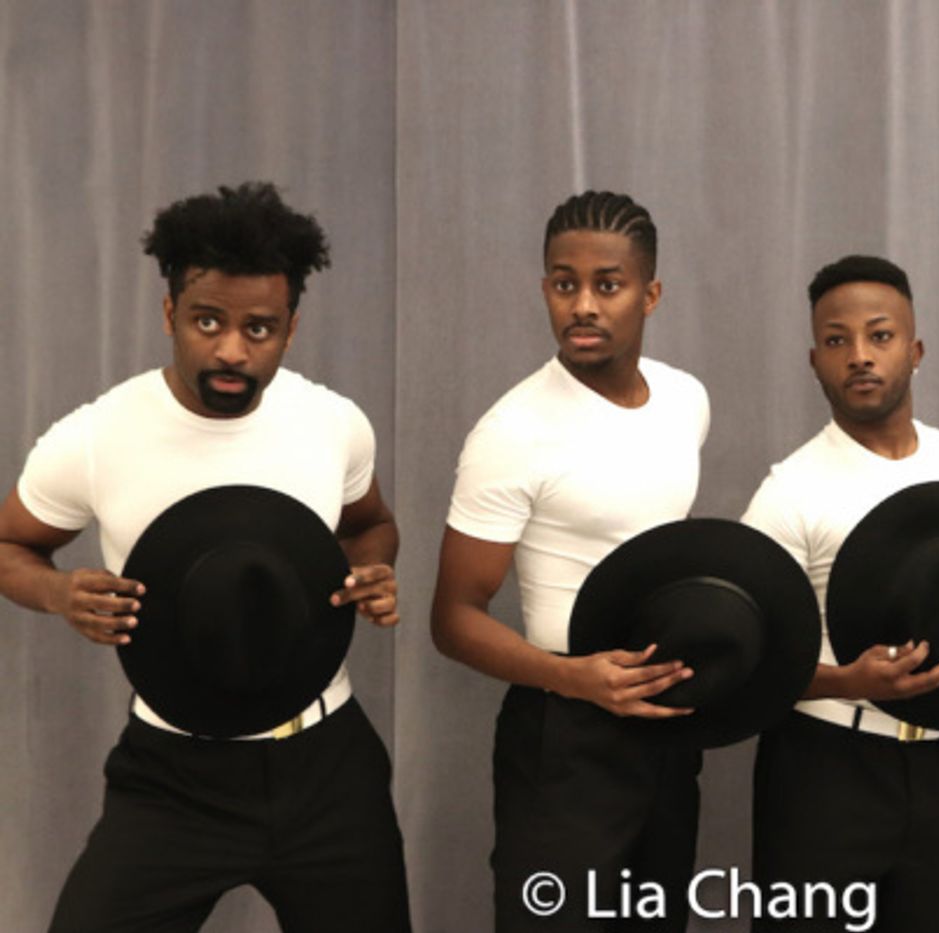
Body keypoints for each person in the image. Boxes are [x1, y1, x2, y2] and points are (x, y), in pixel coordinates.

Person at [0, 182, 410, 933]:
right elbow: (9, 545)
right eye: (208, 321)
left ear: (290, 327)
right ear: (170, 315)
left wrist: (372, 573)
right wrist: (60, 592)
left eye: (259, 328)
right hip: (174, 774)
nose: (230, 348)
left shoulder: (332, 423)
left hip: (327, 765)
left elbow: (372, 524)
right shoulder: (96, 436)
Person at [430, 190, 709, 932]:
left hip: (667, 721)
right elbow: (453, 618)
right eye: (564, 283)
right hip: (563, 731)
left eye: (607, 285)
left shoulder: (686, 400)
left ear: (649, 294)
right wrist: (570, 677)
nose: (582, 305)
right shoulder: (512, 431)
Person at [741, 255, 939, 932]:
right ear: (814, 361)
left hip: (930, 761)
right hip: (821, 768)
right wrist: (846, 678)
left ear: (916, 348)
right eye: (837, 341)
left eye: (880, 335)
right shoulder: (790, 488)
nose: (860, 356)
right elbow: (746, 661)